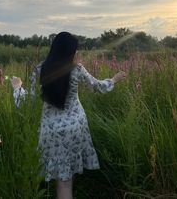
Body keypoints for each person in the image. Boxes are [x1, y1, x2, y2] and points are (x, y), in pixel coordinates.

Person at [10, 31, 126, 199]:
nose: (77, 53)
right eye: (75, 50)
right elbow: (97, 87)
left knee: (61, 178)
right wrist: (113, 80)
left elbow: (29, 103)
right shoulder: (77, 70)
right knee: (66, 181)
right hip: (75, 128)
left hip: (50, 131)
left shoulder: (39, 70)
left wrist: (17, 87)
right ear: (70, 52)